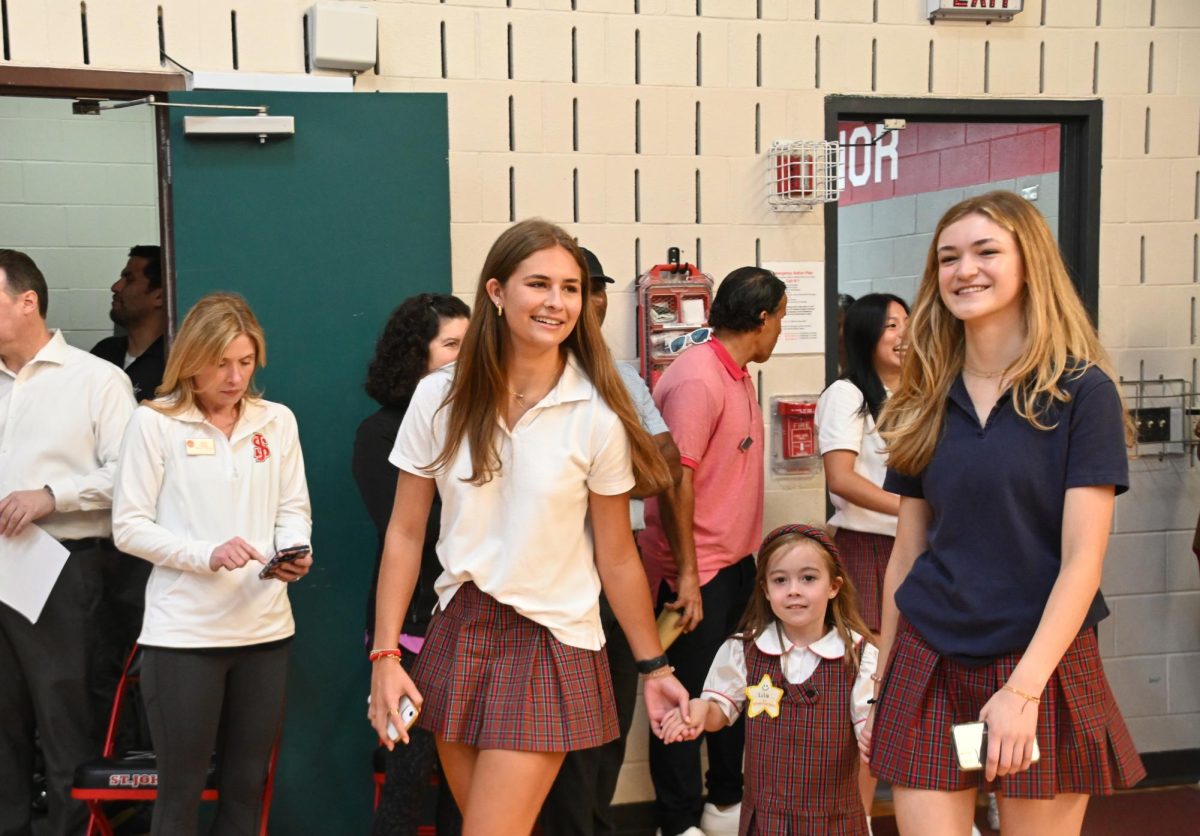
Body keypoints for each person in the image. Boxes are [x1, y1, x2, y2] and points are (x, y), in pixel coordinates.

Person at [367, 219, 690, 836]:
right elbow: (406, 534)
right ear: (496, 292)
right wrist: (385, 654)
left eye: (570, 288)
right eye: (538, 284)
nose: (557, 302)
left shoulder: (596, 413)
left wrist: (654, 666)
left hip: (553, 637)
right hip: (460, 627)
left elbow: (618, 555)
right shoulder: (440, 395)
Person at [863, 191, 1145, 835]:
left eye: (987, 251)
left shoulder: (1082, 392)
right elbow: (906, 553)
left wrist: (1022, 691)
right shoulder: (926, 391)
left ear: (1029, 264)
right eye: (949, 258)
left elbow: (1083, 559)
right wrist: (880, 680)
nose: (965, 270)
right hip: (929, 654)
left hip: (1038, 660)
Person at [112, 292, 313, 836]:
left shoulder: (277, 422)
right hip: (185, 636)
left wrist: (294, 550)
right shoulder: (154, 424)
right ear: (190, 359)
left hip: (265, 629)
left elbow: (293, 509)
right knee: (179, 795)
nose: (233, 376)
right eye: (220, 362)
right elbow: (128, 528)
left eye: (245, 362)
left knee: (246, 789)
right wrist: (206, 555)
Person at [637, 266, 788, 836]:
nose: (780, 330)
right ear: (761, 318)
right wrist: (689, 579)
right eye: (780, 317)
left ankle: (725, 802)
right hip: (693, 572)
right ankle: (676, 823)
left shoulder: (736, 373)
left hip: (735, 566)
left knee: (736, 691)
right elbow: (675, 482)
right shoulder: (697, 378)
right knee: (681, 699)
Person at [540, 247, 682, 836]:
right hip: (548, 575)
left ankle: (595, 824)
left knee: (612, 716)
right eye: (571, 288)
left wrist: (607, 457)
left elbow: (663, 466)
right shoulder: (515, 377)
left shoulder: (620, 376)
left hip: (616, 565)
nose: (583, 300)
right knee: (557, 727)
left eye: (589, 288)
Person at [0, 249, 136, 836]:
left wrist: (52, 495)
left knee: (64, 722)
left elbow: (131, 475)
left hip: (60, 566)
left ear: (27, 301)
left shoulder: (97, 380)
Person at [661, 524, 878, 835]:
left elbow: (867, 726)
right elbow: (718, 712)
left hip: (834, 821)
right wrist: (697, 710)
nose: (793, 590)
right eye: (780, 580)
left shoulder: (858, 656)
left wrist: (877, 734)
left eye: (808, 578)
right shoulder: (743, 649)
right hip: (766, 819)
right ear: (765, 589)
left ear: (834, 586)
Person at [352, 293, 469, 836]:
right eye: (451, 345)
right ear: (414, 355)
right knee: (407, 775)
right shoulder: (379, 433)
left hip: (472, 627)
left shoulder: (480, 422)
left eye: (472, 345)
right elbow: (406, 530)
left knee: (463, 783)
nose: (465, 357)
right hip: (410, 632)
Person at [816, 293, 908, 634]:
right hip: (869, 547)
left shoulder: (916, 395)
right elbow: (840, 479)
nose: (904, 336)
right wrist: (909, 508)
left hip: (914, 543)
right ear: (865, 335)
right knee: (872, 662)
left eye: (909, 325)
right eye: (892, 326)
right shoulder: (846, 393)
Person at [92, 244, 167, 402]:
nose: (116, 287)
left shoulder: (175, 363)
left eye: (129, 279)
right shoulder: (103, 353)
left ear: (159, 297)